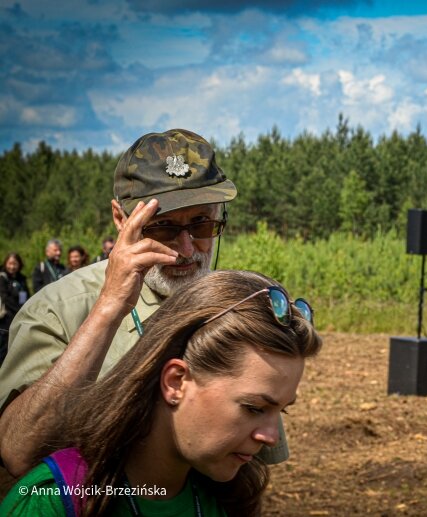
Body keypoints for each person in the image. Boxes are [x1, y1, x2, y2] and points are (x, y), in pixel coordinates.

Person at [0, 128, 289, 477]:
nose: (185, 250)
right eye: (163, 227)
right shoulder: (59, 309)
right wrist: (108, 310)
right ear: (121, 220)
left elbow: (256, 466)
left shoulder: (233, 305)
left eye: (202, 224)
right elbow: (20, 453)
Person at [0, 270, 321, 516]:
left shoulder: (228, 497)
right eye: (253, 407)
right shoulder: (56, 499)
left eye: (281, 410)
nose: (272, 437)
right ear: (176, 382)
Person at [0, 253, 30, 366]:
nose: (12, 267)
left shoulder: (21, 279)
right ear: (5, 263)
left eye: (15, 264)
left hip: (21, 318)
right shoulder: (2, 278)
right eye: (10, 263)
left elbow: (27, 295)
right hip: (6, 320)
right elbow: (5, 298)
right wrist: (20, 310)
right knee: (3, 350)